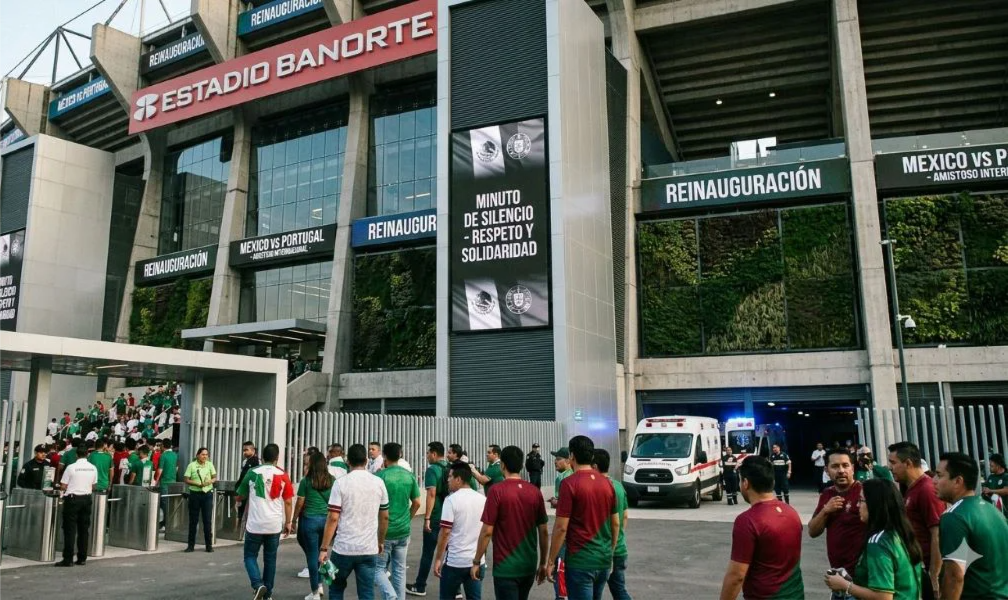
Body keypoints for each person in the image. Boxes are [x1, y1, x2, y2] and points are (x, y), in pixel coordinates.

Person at [719, 456, 804, 600]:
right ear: (773, 481)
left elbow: (737, 576)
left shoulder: (748, 521)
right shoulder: (791, 512)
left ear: (745, 483)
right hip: (796, 595)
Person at [823, 478, 922, 600]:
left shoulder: (878, 542)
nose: (858, 505)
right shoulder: (901, 533)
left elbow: (884, 596)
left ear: (874, 503)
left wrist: (845, 586)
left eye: (861, 500)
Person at [546, 436, 618, 600]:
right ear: (591, 456)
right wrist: (610, 552)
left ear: (571, 456)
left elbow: (561, 527)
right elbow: (615, 523)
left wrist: (551, 561)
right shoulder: (608, 483)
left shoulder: (569, 484)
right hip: (603, 559)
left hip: (580, 561)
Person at [473, 445, 549, 600]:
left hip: (505, 567)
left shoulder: (497, 491)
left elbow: (487, 531)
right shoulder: (534, 491)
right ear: (521, 465)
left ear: (502, 465)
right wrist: (543, 563)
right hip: (528, 564)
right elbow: (543, 531)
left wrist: (476, 561)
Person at [318, 443, 390, 600]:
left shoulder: (340, 483)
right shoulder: (378, 483)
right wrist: (381, 541)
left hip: (344, 548)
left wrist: (324, 548)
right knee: (366, 592)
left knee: (336, 589)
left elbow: (333, 517)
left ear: (348, 461)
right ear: (366, 460)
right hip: (368, 548)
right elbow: (384, 516)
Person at [934, 452, 1008, 600]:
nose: (933, 480)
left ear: (958, 481)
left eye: (939, 475)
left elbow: (955, 576)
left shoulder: (954, 516)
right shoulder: (992, 511)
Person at [237, 442, 295, 600]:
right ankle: (267, 595)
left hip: (255, 524)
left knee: (249, 556)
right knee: (270, 560)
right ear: (277, 457)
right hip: (274, 525)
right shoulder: (283, 475)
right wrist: (288, 522)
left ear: (262, 456)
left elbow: (239, 495)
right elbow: (289, 501)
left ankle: (257, 585)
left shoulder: (252, 472)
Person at [887, 441, 944, 598]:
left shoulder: (926, 489)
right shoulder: (911, 488)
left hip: (927, 572)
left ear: (908, 463)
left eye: (893, 463)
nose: (890, 468)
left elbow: (937, 534)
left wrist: (934, 577)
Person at [809, 448, 866, 599]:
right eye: (835, 466)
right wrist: (826, 511)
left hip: (861, 580)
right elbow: (813, 531)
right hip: (838, 577)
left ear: (853, 468)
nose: (841, 470)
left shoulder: (863, 493)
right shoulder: (827, 494)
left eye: (845, 465)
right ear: (826, 470)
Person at [434, 462, 487, 600]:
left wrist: (438, 559)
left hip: (454, 562)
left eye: (450, 476)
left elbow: (445, 532)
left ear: (459, 479)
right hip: (476, 561)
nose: (447, 479)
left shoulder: (451, 500)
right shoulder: (482, 500)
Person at [378, 442, 421, 600]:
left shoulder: (381, 476)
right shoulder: (408, 475)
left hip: (385, 530)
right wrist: (408, 518)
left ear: (384, 456)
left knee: (378, 569)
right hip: (404, 530)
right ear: (400, 455)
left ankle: (390, 596)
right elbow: (417, 502)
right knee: (400, 570)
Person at [407, 441, 450, 597]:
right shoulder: (450, 467)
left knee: (428, 553)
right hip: (449, 516)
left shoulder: (432, 470)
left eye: (427, 453)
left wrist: (427, 518)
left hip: (436, 516)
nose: (426, 456)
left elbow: (431, 494)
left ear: (433, 454)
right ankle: (455, 589)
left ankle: (420, 586)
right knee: (448, 553)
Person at [593, 449, 631, 600]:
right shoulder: (618, 486)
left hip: (602, 550)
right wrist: (619, 536)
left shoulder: (597, 488)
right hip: (620, 548)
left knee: (595, 593)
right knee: (619, 590)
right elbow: (625, 516)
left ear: (594, 466)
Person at [55, 443, 97, 567]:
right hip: (86, 499)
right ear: (87, 455)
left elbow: (63, 485)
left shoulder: (71, 467)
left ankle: (68, 559)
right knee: (84, 530)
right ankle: (82, 557)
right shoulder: (93, 468)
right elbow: (94, 485)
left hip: (72, 500)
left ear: (76, 454)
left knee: (70, 530)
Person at [183, 446, 217, 553]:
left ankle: (209, 545)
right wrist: (197, 483)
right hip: (195, 494)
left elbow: (214, 477)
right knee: (193, 520)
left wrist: (210, 482)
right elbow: (186, 479)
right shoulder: (192, 465)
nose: (205, 456)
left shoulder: (210, 464)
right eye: (203, 454)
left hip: (207, 494)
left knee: (207, 520)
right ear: (197, 455)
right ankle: (190, 545)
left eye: (206, 454)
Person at [155, 438, 178, 529]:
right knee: (169, 504)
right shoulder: (175, 455)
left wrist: (155, 482)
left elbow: (160, 470)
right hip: (173, 482)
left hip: (164, 482)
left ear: (163, 446)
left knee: (164, 504)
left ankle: (165, 523)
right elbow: (176, 468)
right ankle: (167, 522)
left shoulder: (163, 456)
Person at [239, 441, 261, 519]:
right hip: (245, 491)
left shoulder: (257, 461)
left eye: (246, 450)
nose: (244, 452)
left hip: (252, 492)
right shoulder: (245, 462)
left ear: (253, 450)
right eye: (243, 450)